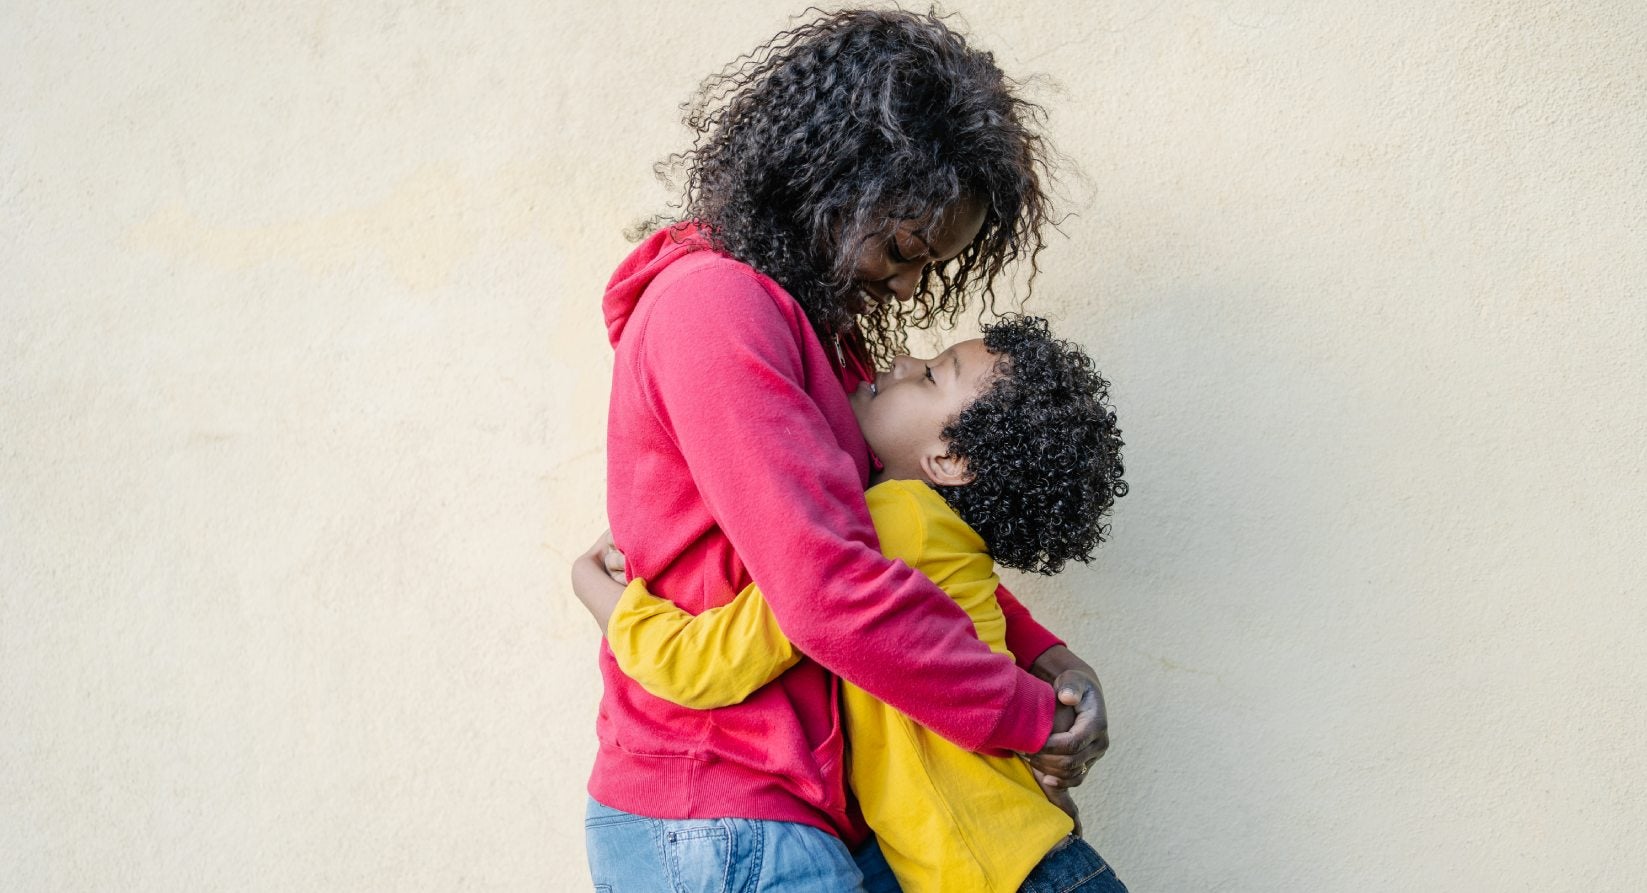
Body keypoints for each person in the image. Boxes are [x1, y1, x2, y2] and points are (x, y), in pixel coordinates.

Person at [585, 10, 1110, 891]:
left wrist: (1050, 658)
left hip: (807, 809)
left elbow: (900, 547)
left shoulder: (825, 343)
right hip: (722, 812)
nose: (910, 285)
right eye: (907, 248)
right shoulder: (716, 308)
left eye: (930, 264)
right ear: (834, 178)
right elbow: (829, 591)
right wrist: (1027, 713)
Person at [573, 316, 1129, 892]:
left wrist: (601, 595)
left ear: (948, 463)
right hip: (1028, 864)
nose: (906, 362)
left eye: (933, 376)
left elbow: (704, 664)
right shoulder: (932, 534)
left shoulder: (891, 523)